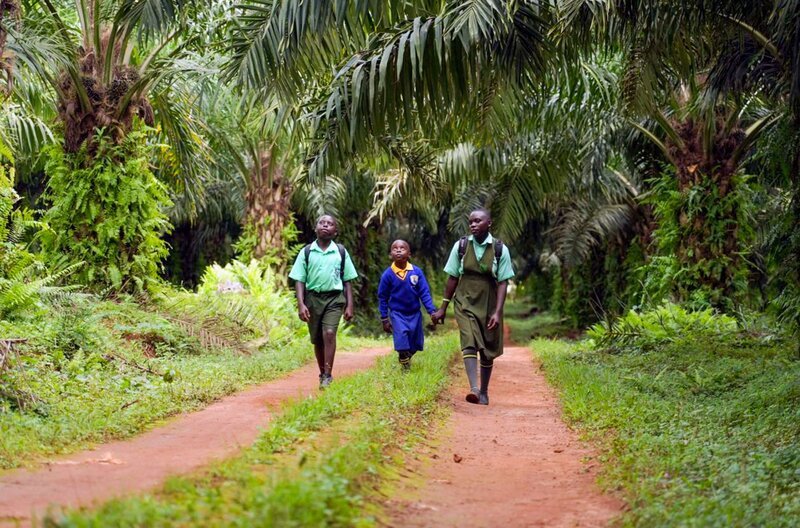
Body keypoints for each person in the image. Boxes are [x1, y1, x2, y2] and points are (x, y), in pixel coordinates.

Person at [431, 208, 515, 405]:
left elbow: (503, 282)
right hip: (464, 301)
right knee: (468, 340)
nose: (473, 225)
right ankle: (474, 389)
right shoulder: (461, 246)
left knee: (487, 348)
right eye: (471, 222)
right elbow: (453, 277)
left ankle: (484, 391)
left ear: (489, 223)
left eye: (478, 221)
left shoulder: (499, 249)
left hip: (489, 302)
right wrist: (443, 307)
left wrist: (498, 311)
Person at [289, 214, 358, 389]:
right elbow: (299, 279)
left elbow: (348, 280)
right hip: (312, 298)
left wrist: (350, 305)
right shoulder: (307, 252)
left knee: (329, 333)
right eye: (322, 223)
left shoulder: (340, 252)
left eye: (330, 224)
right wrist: (301, 303)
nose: (325, 225)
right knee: (318, 339)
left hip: (334, 298)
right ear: (315, 228)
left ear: (335, 231)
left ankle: (328, 374)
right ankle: (322, 373)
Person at [377, 240, 437, 371]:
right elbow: (383, 298)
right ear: (390, 254)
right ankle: (405, 368)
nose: (398, 250)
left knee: (415, 344)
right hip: (397, 314)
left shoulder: (416, 272)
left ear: (409, 254)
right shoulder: (387, 275)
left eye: (402, 248)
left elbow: (424, 293)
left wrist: (432, 311)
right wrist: (384, 318)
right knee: (402, 340)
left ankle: (406, 357)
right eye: (395, 248)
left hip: (415, 313)